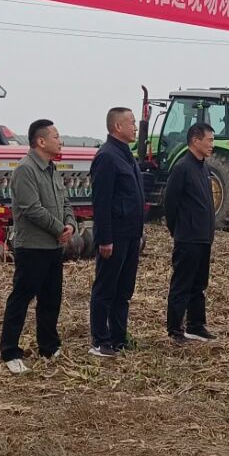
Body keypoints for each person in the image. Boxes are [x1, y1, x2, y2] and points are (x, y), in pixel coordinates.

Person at [1, 118, 77, 373]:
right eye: (56, 137)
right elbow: (31, 208)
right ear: (41, 141)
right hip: (33, 247)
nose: (60, 141)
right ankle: (10, 351)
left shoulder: (52, 169)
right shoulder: (25, 170)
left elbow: (65, 202)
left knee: (51, 299)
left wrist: (70, 225)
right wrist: (59, 229)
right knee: (21, 298)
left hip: (54, 247)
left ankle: (48, 345)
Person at [89, 104, 145, 359]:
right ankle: (100, 340)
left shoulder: (127, 155)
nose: (135, 127)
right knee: (106, 290)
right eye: (131, 122)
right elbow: (101, 202)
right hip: (115, 236)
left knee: (124, 291)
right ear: (117, 126)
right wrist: (105, 238)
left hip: (131, 235)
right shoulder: (107, 157)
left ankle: (119, 337)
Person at [163, 122, 217, 344]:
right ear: (195, 141)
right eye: (209, 140)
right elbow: (170, 203)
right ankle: (175, 329)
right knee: (182, 284)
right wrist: (178, 229)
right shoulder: (182, 168)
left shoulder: (204, 168)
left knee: (199, 285)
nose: (212, 144)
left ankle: (196, 325)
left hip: (203, 237)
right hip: (188, 237)